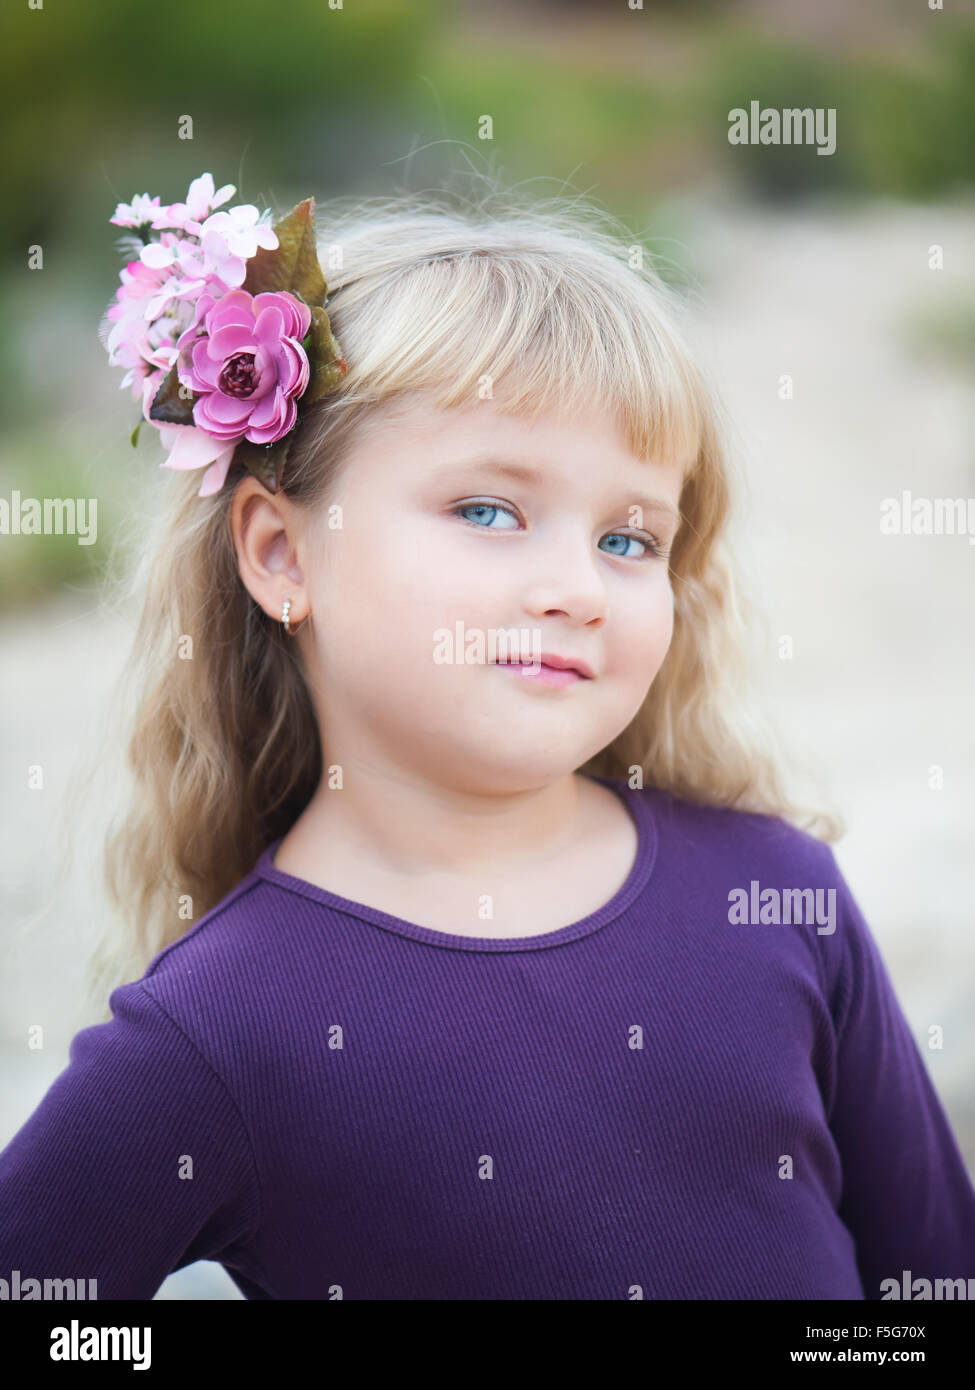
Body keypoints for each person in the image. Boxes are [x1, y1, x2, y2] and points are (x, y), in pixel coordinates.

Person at [1, 171, 973, 1302]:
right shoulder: (218, 1031)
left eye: (629, 537)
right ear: (280, 554)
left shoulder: (775, 894)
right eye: (487, 511)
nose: (577, 585)